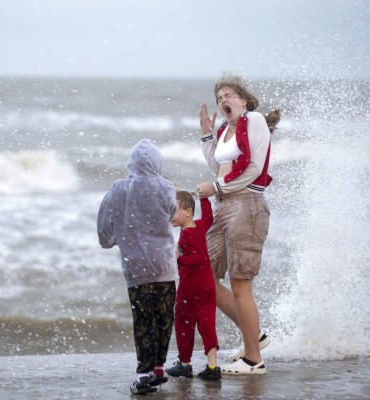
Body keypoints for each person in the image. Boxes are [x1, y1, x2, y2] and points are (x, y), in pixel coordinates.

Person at [196, 74, 280, 375]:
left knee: (240, 283)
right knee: (204, 275)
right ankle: (254, 335)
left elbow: (255, 167)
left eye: (228, 95)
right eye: (219, 97)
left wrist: (217, 188)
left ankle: (254, 360)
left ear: (243, 99)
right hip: (225, 207)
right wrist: (207, 136)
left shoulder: (253, 120)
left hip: (247, 205)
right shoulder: (226, 131)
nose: (223, 101)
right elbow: (219, 167)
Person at [97, 139, 178, 395]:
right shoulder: (166, 187)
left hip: (136, 268)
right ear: (157, 163)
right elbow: (173, 213)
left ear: (130, 163)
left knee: (143, 320)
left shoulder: (118, 189)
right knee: (164, 319)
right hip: (164, 265)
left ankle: (144, 374)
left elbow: (104, 228)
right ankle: (158, 368)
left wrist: (111, 240)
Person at [165, 190, 221, 381]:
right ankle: (212, 366)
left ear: (188, 211)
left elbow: (198, 257)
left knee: (183, 324)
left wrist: (179, 260)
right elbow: (209, 217)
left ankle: (185, 364)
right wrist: (204, 198)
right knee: (207, 325)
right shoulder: (199, 226)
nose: (169, 214)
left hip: (190, 288)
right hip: (206, 288)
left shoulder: (189, 234)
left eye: (173, 210)